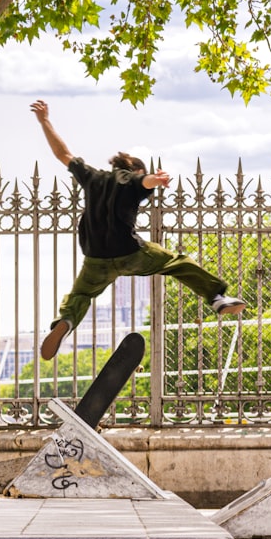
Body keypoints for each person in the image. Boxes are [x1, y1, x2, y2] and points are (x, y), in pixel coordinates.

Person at [30, 99, 245, 360]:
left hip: (95, 259)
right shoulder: (132, 179)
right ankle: (217, 298)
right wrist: (158, 178)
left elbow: (62, 153)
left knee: (81, 294)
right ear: (136, 169)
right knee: (178, 262)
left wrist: (44, 121)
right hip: (130, 253)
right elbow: (144, 181)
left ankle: (65, 322)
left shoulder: (92, 176)